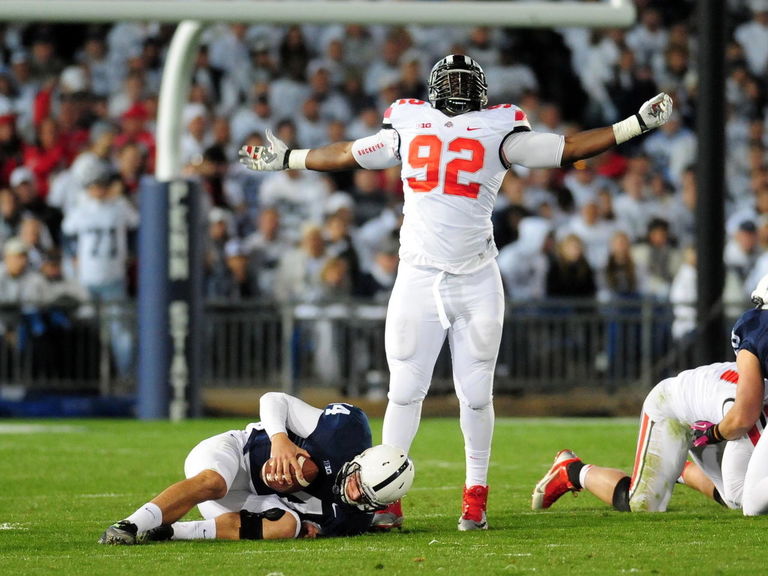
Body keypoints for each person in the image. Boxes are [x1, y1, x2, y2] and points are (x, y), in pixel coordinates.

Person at [238, 53, 673, 531]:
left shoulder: (413, 120)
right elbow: (569, 147)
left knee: (450, 395)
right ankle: (412, 499)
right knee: (422, 393)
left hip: (459, 277)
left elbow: (344, 153)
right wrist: (632, 126)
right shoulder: (494, 124)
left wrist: (289, 158)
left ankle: (464, 500)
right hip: (441, 277)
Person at [98, 392, 414, 544]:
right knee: (213, 484)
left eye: (364, 497)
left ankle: (169, 531)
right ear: (358, 460)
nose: (353, 492)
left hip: (244, 503)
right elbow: (274, 399)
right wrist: (280, 440)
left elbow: (310, 525)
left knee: (286, 527)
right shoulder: (343, 431)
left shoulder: (352, 519)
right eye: (359, 481)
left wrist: (307, 528)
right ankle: (130, 525)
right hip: (235, 454)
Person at [531, 361, 768, 513]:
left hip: (715, 413)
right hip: (671, 408)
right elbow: (740, 421)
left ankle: (675, 469)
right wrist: (715, 432)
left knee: (735, 496)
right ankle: (571, 471)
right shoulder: (750, 410)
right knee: (643, 504)